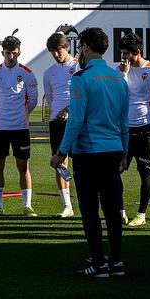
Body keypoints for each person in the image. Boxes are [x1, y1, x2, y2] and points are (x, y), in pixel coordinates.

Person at [50, 27, 128, 278]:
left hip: (88, 153)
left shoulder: (81, 78)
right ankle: (116, 261)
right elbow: (124, 122)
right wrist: (124, 151)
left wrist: (62, 151)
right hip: (114, 150)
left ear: (84, 46)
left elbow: (76, 121)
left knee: (90, 210)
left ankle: (98, 263)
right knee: (113, 209)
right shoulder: (119, 78)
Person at [117, 33, 150, 228]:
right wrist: (122, 74)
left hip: (145, 129)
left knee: (145, 173)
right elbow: (117, 95)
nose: (124, 58)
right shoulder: (121, 70)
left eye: (126, 54)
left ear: (137, 52)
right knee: (115, 172)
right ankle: (120, 211)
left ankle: (141, 214)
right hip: (125, 130)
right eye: (121, 54)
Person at [0, 36, 39, 217]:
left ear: (19, 52)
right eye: (8, 53)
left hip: (20, 128)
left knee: (23, 166)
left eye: (14, 53)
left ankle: (27, 206)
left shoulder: (27, 73)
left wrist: (20, 116)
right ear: (3, 53)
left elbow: (32, 100)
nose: (11, 56)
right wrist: (2, 114)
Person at [42, 32, 79, 218]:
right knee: (59, 162)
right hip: (57, 122)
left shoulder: (80, 66)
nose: (56, 55)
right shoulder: (49, 73)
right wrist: (58, 113)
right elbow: (49, 98)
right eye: (52, 52)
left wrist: (69, 110)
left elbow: (85, 95)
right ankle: (67, 205)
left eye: (59, 50)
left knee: (81, 161)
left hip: (78, 120)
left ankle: (87, 200)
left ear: (66, 48)